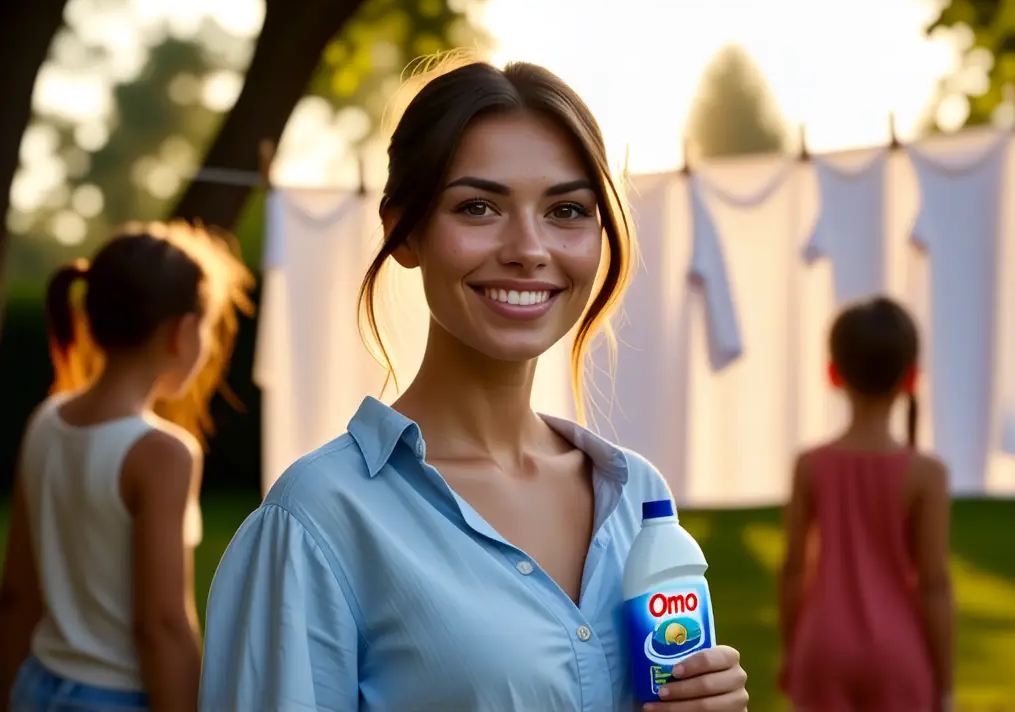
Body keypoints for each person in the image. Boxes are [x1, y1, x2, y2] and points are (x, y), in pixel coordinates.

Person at [199, 52, 749, 711]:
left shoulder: (637, 500)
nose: (528, 248)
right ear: (403, 230)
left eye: (567, 210)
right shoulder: (317, 520)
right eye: (480, 206)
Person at [0, 221, 253, 712]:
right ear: (182, 333)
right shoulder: (163, 453)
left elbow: (15, 593)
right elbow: (160, 625)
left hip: (37, 684)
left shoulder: (45, 421)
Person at [777, 296, 955, 712]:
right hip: (899, 652)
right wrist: (945, 685)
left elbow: (793, 570)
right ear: (912, 378)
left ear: (833, 373)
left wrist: (793, 649)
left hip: (821, 646)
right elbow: (934, 584)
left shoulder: (810, 466)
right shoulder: (927, 474)